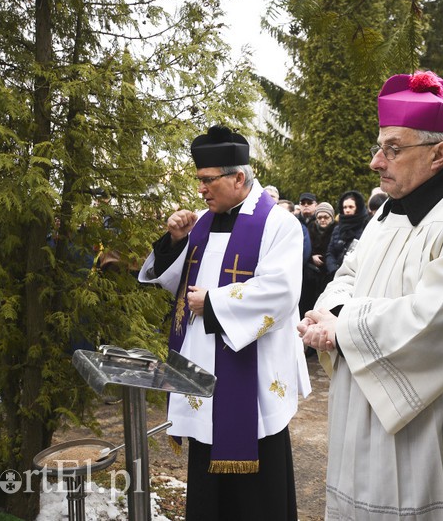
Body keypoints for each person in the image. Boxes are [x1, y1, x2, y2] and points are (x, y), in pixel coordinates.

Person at [298, 71, 443, 520]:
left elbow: (441, 319)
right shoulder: (389, 212)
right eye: (379, 147)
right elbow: (347, 275)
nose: (376, 162)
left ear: (439, 153)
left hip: (440, 423)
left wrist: (343, 327)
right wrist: (329, 316)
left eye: (393, 149)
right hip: (362, 408)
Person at [138, 125, 311, 520]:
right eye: (198, 180)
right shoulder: (201, 221)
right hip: (202, 365)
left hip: (252, 368)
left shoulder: (277, 224)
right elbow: (177, 285)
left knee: (257, 487)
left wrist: (215, 303)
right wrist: (176, 240)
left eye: (208, 180)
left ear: (238, 178)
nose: (201, 189)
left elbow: (281, 292)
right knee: (207, 474)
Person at [300, 202, 335, 319]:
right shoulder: (310, 228)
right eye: (319, 217)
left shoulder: (336, 229)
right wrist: (311, 257)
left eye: (326, 217)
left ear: (331, 217)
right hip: (310, 274)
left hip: (328, 273)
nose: (322, 220)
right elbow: (305, 248)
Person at [325, 191, 368, 276]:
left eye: (351, 207)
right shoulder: (337, 229)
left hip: (356, 274)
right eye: (345, 207)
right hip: (335, 274)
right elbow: (330, 253)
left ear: (358, 207)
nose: (347, 210)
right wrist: (334, 270)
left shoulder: (365, 227)